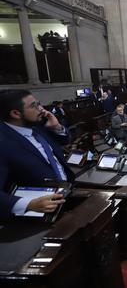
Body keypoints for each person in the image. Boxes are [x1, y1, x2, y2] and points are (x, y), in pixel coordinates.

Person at [0, 90, 73, 219]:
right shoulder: (3, 142)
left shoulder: (37, 126)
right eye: (34, 106)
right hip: (39, 211)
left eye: (39, 104)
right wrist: (28, 204)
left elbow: (64, 140)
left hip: (67, 192)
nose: (42, 109)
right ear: (16, 113)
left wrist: (56, 127)